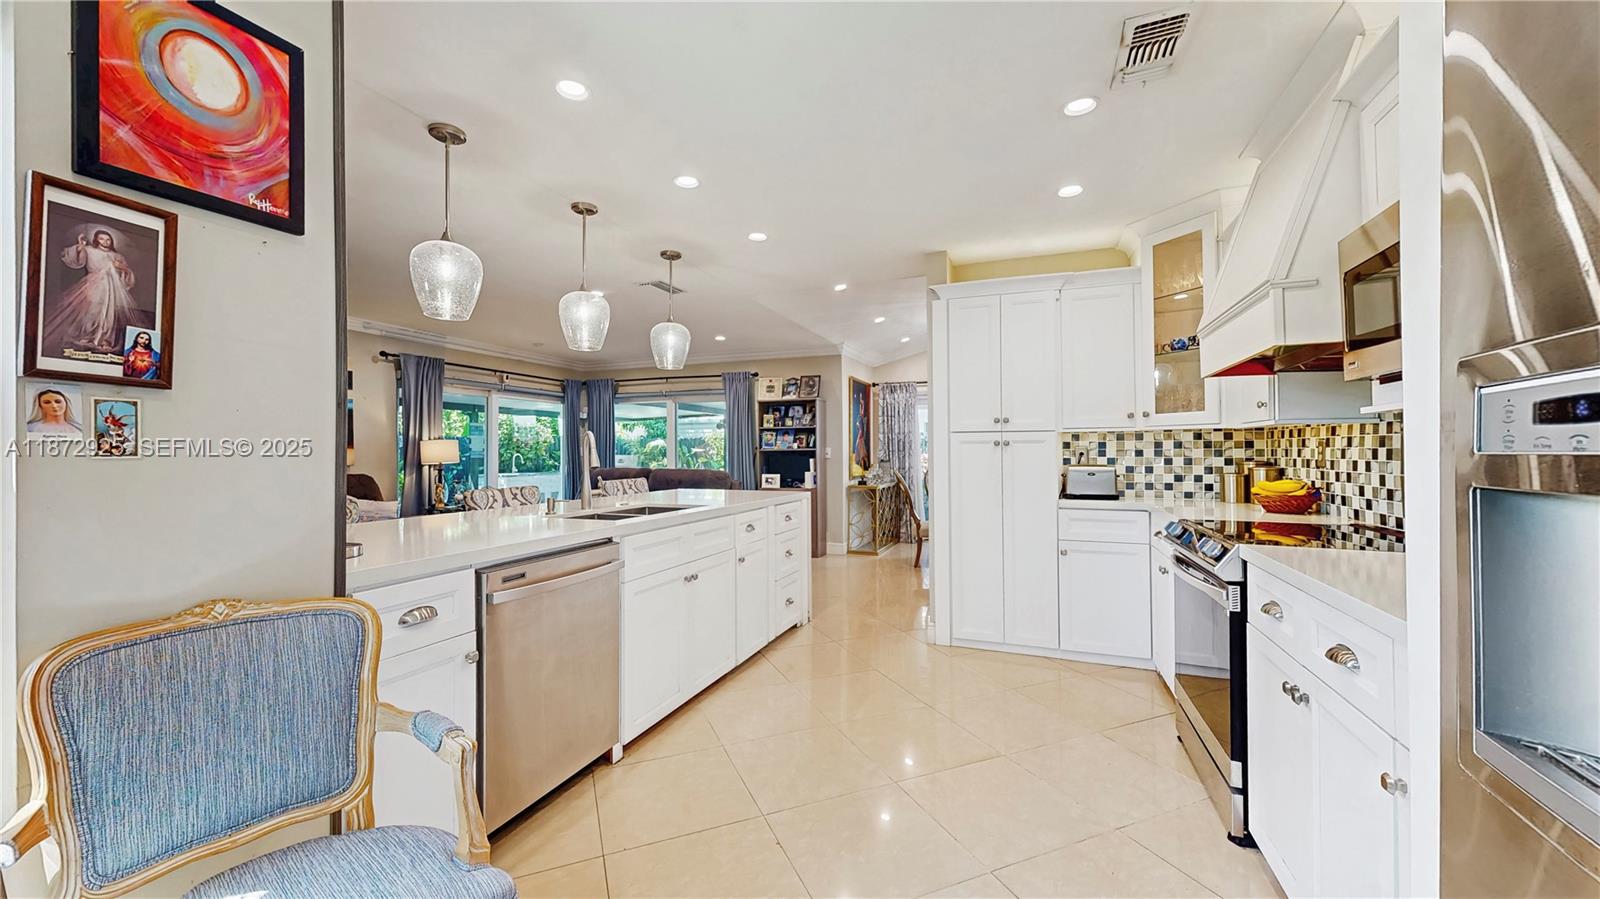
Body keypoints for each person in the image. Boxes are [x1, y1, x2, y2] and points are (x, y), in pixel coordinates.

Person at [41, 228, 142, 355]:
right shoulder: (90, 250)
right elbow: (76, 260)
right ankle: (87, 336)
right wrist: (80, 246)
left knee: (110, 315)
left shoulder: (118, 256)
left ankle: (105, 340)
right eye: (101, 239)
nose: (105, 242)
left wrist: (122, 268)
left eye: (108, 239)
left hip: (113, 288)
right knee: (92, 311)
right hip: (95, 283)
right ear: (96, 240)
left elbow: (127, 274)